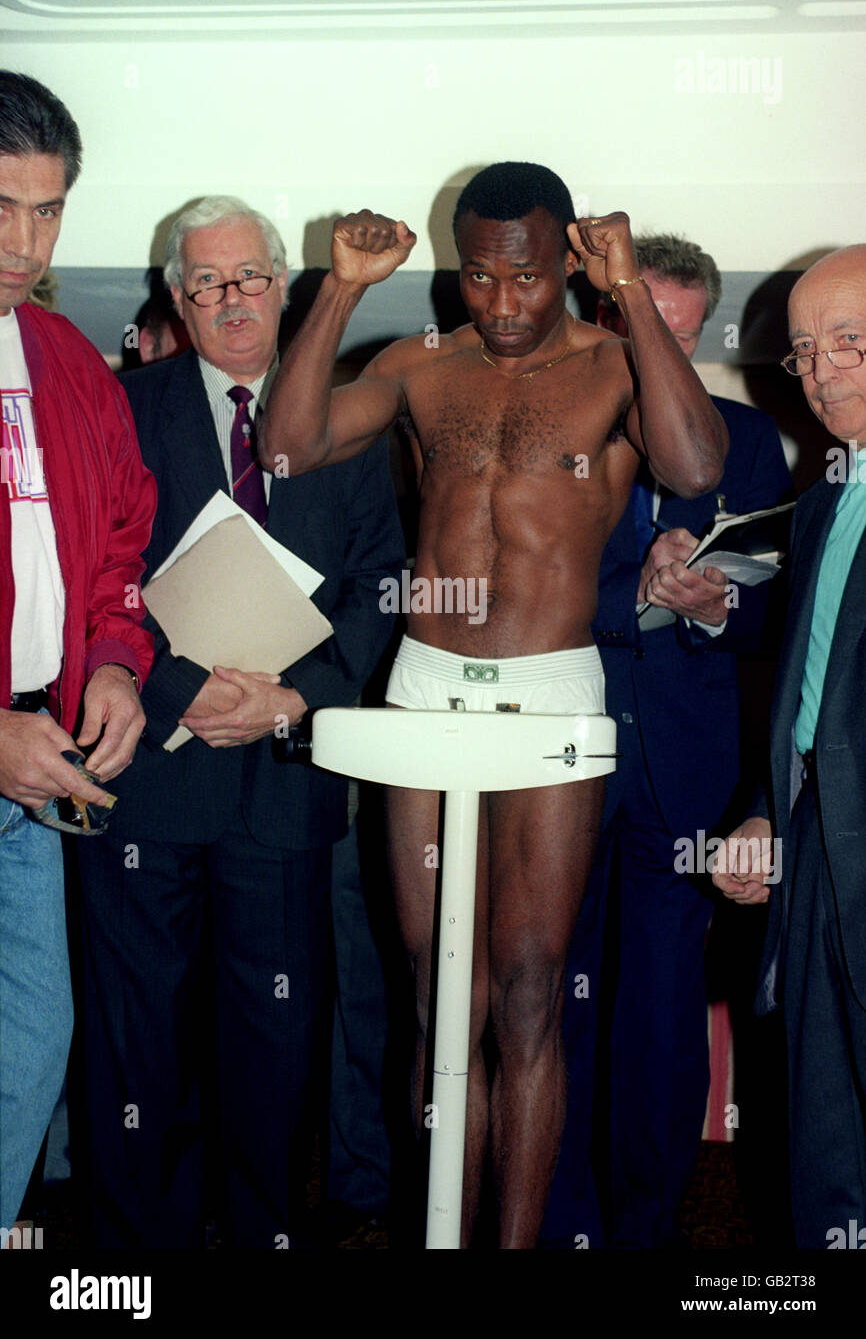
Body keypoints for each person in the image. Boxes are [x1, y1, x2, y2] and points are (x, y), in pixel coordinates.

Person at [258, 161, 728, 1248]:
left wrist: (629, 300)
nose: (501, 305)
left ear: (564, 258)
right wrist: (337, 289)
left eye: (522, 279)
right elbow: (285, 447)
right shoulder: (421, 364)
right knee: (437, 996)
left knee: (524, 994)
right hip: (424, 686)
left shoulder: (613, 364)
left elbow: (695, 467)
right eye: (475, 278)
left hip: (549, 690)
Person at [77, 195, 405, 1248]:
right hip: (151, 774)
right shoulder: (123, 407)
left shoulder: (346, 417)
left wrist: (291, 697)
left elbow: (377, 588)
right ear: (177, 298)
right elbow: (100, 573)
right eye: (206, 282)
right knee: (143, 1052)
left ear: (284, 283)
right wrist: (176, 687)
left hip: (282, 781)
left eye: (250, 277)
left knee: (275, 1049)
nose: (231, 300)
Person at [544, 233, 792, 1248]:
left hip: (688, 780)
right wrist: (631, 590)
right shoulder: (547, 427)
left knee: (656, 1027)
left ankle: (643, 1234)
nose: (664, 361)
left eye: (684, 340)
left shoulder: (744, 435)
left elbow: (778, 616)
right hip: (559, 765)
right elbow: (507, 601)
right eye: (647, 329)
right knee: (548, 1018)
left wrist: (709, 609)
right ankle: (557, 1227)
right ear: (605, 317)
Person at [0, 71, 156, 1233]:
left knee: (34, 1041)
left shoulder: (64, 357)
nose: (26, 240)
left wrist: (111, 660)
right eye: (1, 205)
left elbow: (115, 547)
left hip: (36, 766)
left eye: (48, 211)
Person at [713, 244, 866, 1248]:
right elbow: (806, 689)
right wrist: (771, 807)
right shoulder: (821, 501)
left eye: (847, 341)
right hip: (815, 850)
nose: (818, 370)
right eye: (802, 351)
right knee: (825, 1139)